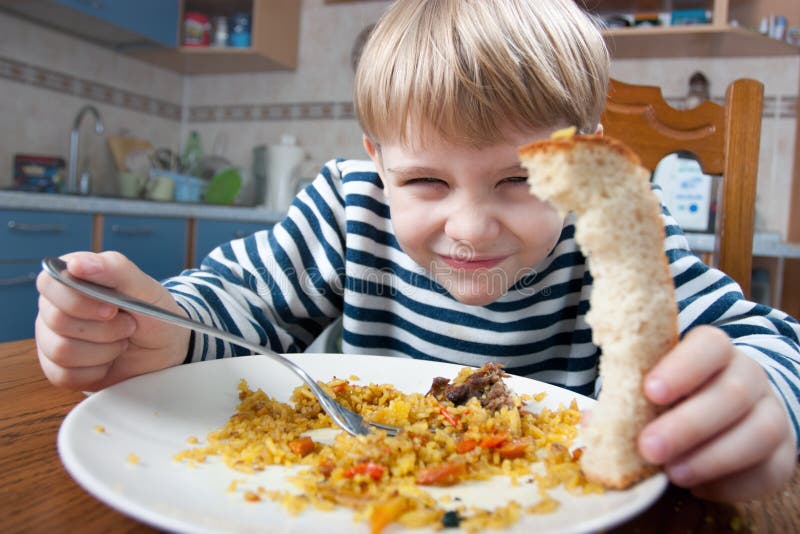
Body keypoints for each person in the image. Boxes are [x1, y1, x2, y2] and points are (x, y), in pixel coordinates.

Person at [35, 0, 798, 504]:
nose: (469, 228)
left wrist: (759, 394)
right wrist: (164, 324)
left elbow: (767, 341)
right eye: (426, 181)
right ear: (377, 159)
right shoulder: (351, 207)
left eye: (520, 180)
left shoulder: (614, 237)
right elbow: (242, 303)